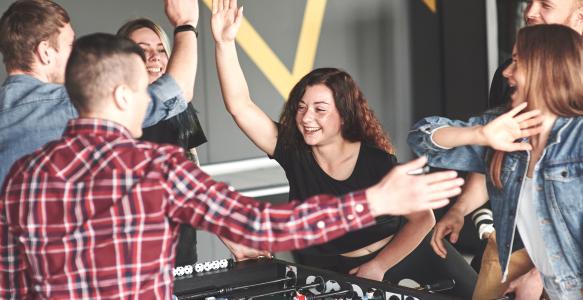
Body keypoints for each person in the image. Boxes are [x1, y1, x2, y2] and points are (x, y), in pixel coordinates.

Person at [0, 33, 464, 299]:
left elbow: (9, 280)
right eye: (144, 89)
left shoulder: (25, 177)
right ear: (123, 96)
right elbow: (264, 226)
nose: (148, 100)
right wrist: (375, 201)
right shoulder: (158, 168)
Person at [210, 0, 476, 297]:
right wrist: (225, 42)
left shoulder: (376, 160)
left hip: (409, 249)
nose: (306, 118)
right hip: (348, 269)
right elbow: (240, 107)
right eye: (301, 107)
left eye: (320, 109)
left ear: (344, 115)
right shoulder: (293, 152)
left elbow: (423, 218)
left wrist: (379, 265)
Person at [408, 24, 583, 300]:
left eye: (516, 61)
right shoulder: (504, 128)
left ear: (546, 68)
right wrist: (479, 134)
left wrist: (538, 277)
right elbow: (421, 139)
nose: (506, 72)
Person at [0, 0, 198, 186]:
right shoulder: (72, 105)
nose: (75, 53)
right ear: (45, 52)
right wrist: (185, 24)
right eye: (70, 45)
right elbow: (176, 91)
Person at [117, 18, 207, 267]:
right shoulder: (116, 115)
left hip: (182, 254)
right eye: (142, 49)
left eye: (160, 49)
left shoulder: (181, 109)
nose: (154, 57)